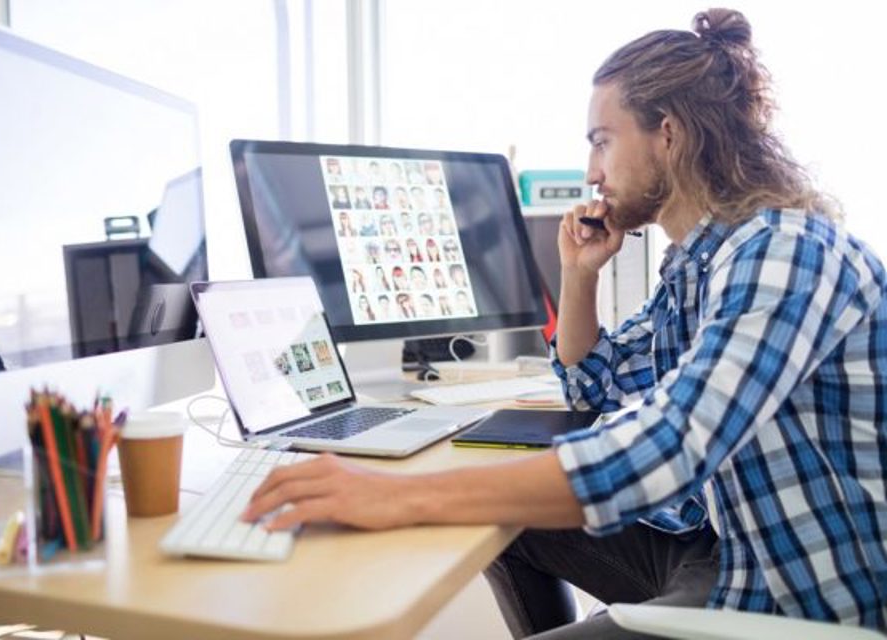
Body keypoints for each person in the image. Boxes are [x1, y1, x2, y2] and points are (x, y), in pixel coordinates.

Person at [241, 8, 887, 637]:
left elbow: (671, 445)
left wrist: (400, 494)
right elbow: (592, 391)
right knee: (510, 517)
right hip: (715, 538)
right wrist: (580, 277)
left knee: (483, 499)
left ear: (669, 132)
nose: (592, 173)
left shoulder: (786, 251)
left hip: (788, 592)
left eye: (602, 142)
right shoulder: (699, 264)